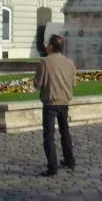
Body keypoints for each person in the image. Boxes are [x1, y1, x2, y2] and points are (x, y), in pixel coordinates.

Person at [33, 33, 76, 176]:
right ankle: (69, 160)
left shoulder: (45, 62)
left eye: (47, 44)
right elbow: (73, 82)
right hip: (64, 101)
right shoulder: (69, 62)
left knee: (49, 135)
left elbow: (38, 83)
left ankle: (52, 167)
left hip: (50, 102)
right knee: (65, 132)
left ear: (51, 46)